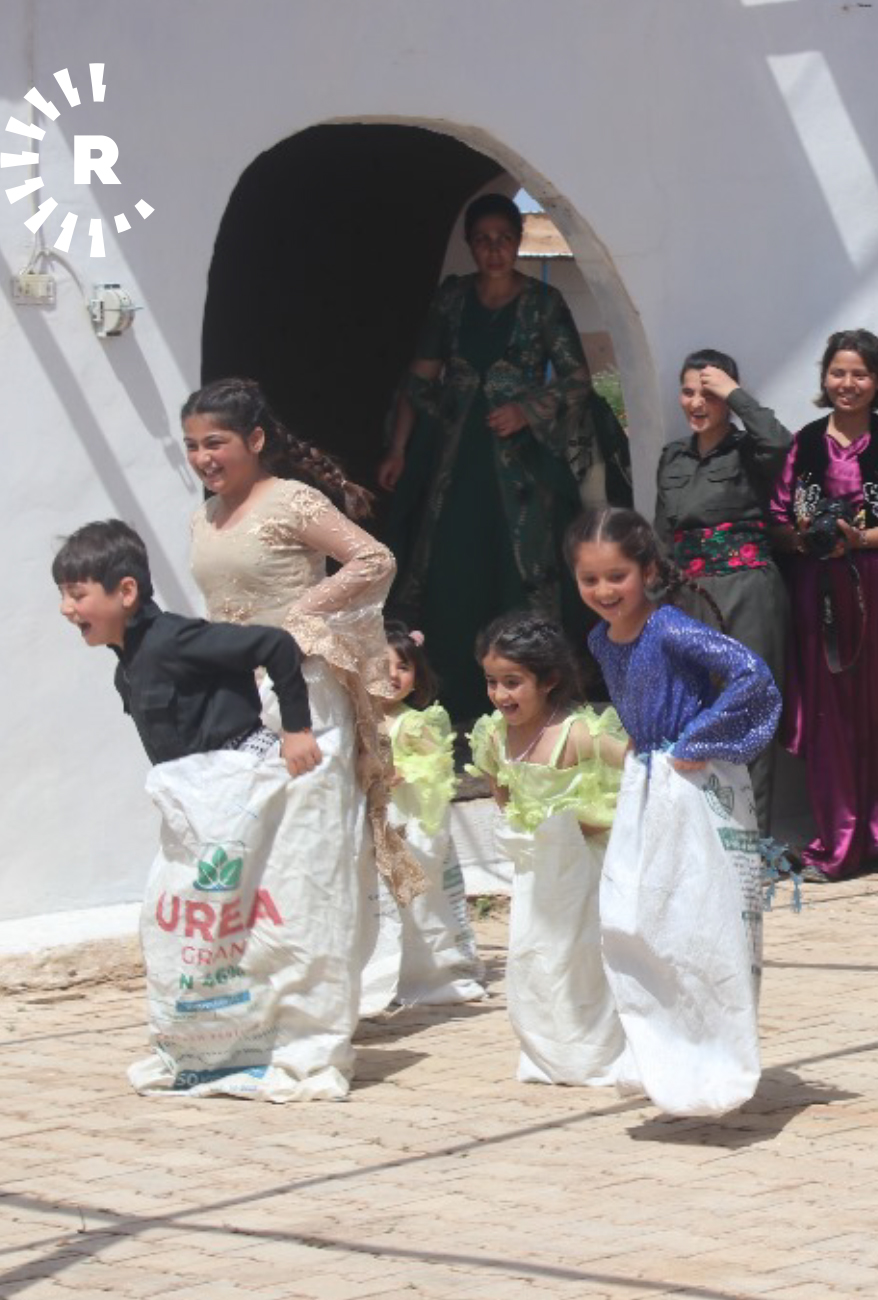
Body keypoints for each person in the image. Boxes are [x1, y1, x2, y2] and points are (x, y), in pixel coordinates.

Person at [184, 377, 415, 1101]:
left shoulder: (292, 501)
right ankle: (258, 1015)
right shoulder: (206, 515)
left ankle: (315, 1029)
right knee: (250, 859)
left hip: (302, 698)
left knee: (309, 856)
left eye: (215, 442)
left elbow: (373, 559)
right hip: (236, 704)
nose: (203, 458)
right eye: (191, 446)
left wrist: (298, 618)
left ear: (255, 440)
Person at [55, 520, 323, 1095]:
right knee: (194, 922)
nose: (66, 609)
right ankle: (215, 1041)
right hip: (202, 808)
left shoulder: (175, 640)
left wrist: (297, 730)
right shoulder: (128, 664)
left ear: (126, 592)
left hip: (246, 791)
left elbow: (275, 645)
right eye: (64, 595)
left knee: (265, 920)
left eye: (77, 594)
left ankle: (287, 1035)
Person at [572, 508, 783, 1116]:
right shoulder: (598, 640)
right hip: (645, 786)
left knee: (695, 918)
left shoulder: (669, 628)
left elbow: (751, 675)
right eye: (590, 579)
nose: (604, 591)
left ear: (648, 571)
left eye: (617, 576)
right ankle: (657, 1051)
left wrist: (701, 738)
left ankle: (711, 1057)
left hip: (689, 786)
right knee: (639, 915)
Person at [383, 193, 599, 722]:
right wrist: (399, 447)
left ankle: (533, 703)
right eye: (483, 240)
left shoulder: (544, 304)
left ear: (518, 242)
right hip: (455, 462)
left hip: (522, 469)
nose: (494, 249)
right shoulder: (452, 300)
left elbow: (576, 380)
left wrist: (527, 410)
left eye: (504, 239)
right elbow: (420, 376)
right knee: (450, 569)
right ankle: (446, 700)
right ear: (470, 245)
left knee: (522, 574)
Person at [770, 328, 878, 881]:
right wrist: (807, 537)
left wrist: (861, 539)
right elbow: (776, 521)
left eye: (861, 374)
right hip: (821, 595)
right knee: (832, 716)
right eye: (838, 372)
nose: (848, 383)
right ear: (825, 377)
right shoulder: (804, 445)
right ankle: (839, 839)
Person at [468, 612, 628, 1086]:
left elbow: (636, 769)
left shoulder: (576, 734)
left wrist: (587, 822)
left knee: (580, 959)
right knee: (535, 956)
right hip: (537, 870)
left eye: (513, 682)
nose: (501, 695)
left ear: (549, 680)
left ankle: (595, 1052)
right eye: (492, 682)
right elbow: (502, 793)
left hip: (586, 867)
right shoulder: (493, 735)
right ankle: (549, 1052)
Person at [655, 349, 792, 833]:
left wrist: (735, 394)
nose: (697, 403)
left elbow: (781, 442)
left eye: (709, 393)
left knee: (750, 703)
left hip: (746, 588)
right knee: (695, 711)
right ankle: (710, 835)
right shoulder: (672, 456)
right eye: (688, 392)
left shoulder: (749, 451)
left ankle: (755, 840)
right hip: (688, 594)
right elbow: (663, 534)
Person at [358, 623, 486, 1013]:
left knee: (416, 900)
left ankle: (426, 974)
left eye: (403, 667)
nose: (393, 676)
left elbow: (438, 765)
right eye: (383, 666)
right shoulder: (357, 721)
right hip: (370, 819)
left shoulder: (414, 722)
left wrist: (404, 772)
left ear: (417, 676)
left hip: (406, 820)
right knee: (375, 897)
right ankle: (378, 972)